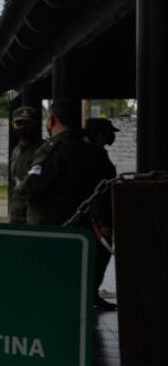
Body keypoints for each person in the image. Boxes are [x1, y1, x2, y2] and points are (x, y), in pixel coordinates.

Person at [16, 101, 98, 226]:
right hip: (83, 224)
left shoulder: (52, 150)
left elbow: (32, 185)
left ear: (52, 120)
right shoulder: (92, 150)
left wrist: (20, 185)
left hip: (51, 225)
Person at [83, 117, 119, 310]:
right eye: (108, 132)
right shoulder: (93, 157)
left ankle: (92, 293)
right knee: (100, 256)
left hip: (97, 216)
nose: (111, 137)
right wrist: (103, 222)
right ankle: (90, 293)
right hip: (96, 218)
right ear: (99, 134)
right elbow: (96, 192)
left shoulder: (96, 154)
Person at [8, 106, 43, 225]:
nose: (22, 127)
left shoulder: (43, 150)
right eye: (18, 123)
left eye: (27, 124)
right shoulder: (16, 150)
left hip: (35, 217)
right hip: (17, 214)